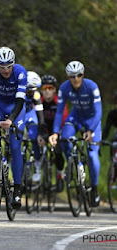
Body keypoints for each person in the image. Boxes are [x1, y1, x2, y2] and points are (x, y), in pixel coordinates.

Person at [49, 60, 102, 207]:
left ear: (83, 75)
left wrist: (90, 130)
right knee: (65, 139)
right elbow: (59, 112)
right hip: (75, 117)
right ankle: (74, 165)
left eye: (79, 75)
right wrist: (55, 132)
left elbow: (99, 112)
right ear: (68, 76)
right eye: (72, 76)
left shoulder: (92, 87)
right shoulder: (64, 88)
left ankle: (95, 190)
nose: (76, 79)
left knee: (92, 154)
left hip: (92, 120)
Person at [0, 46, 27, 209]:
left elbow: (20, 100)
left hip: (15, 108)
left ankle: (17, 190)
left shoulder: (20, 72)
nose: (5, 70)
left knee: (16, 147)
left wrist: (10, 120)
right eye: (2, 66)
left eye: (8, 66)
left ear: (13, 64)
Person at [40, 74, 68, 192]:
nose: (47, 91)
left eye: (50, 88)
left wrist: (57, 134)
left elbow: (64, 118)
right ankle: (40, 178)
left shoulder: (59, 102)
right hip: (44, 130)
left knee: (58, 152)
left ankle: (60, 176)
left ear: (54, 90)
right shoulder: (39, 102)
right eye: (45, 88)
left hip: (57, 130)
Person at [24, 71, 47, 183]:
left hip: (29, 114)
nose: (32, 92)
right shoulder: (17, 90)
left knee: (34, 135)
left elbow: (40, 114)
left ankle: (37, 165)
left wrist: (40, 132)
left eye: (34, 89)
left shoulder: (35, 94)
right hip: (17, 113)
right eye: (30, 90)